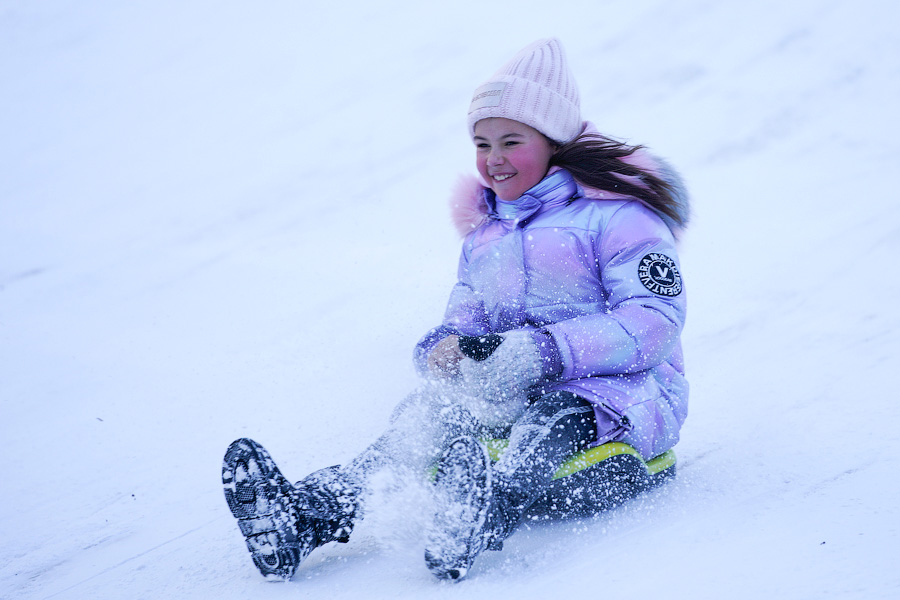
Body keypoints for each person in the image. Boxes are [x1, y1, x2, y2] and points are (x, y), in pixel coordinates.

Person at [222, 37, 689, 582]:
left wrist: (545, 352)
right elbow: (466, 317)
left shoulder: (620, 219)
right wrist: (444, 350)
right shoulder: (485, 237)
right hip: (513, 384)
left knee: (553, 418)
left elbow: (654, 323)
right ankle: (308, 514)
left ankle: (491, 507)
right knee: (423, 421)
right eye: (481, 143)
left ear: (554, 142)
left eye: (511, 141)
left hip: (621, 394)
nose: (494, 160)